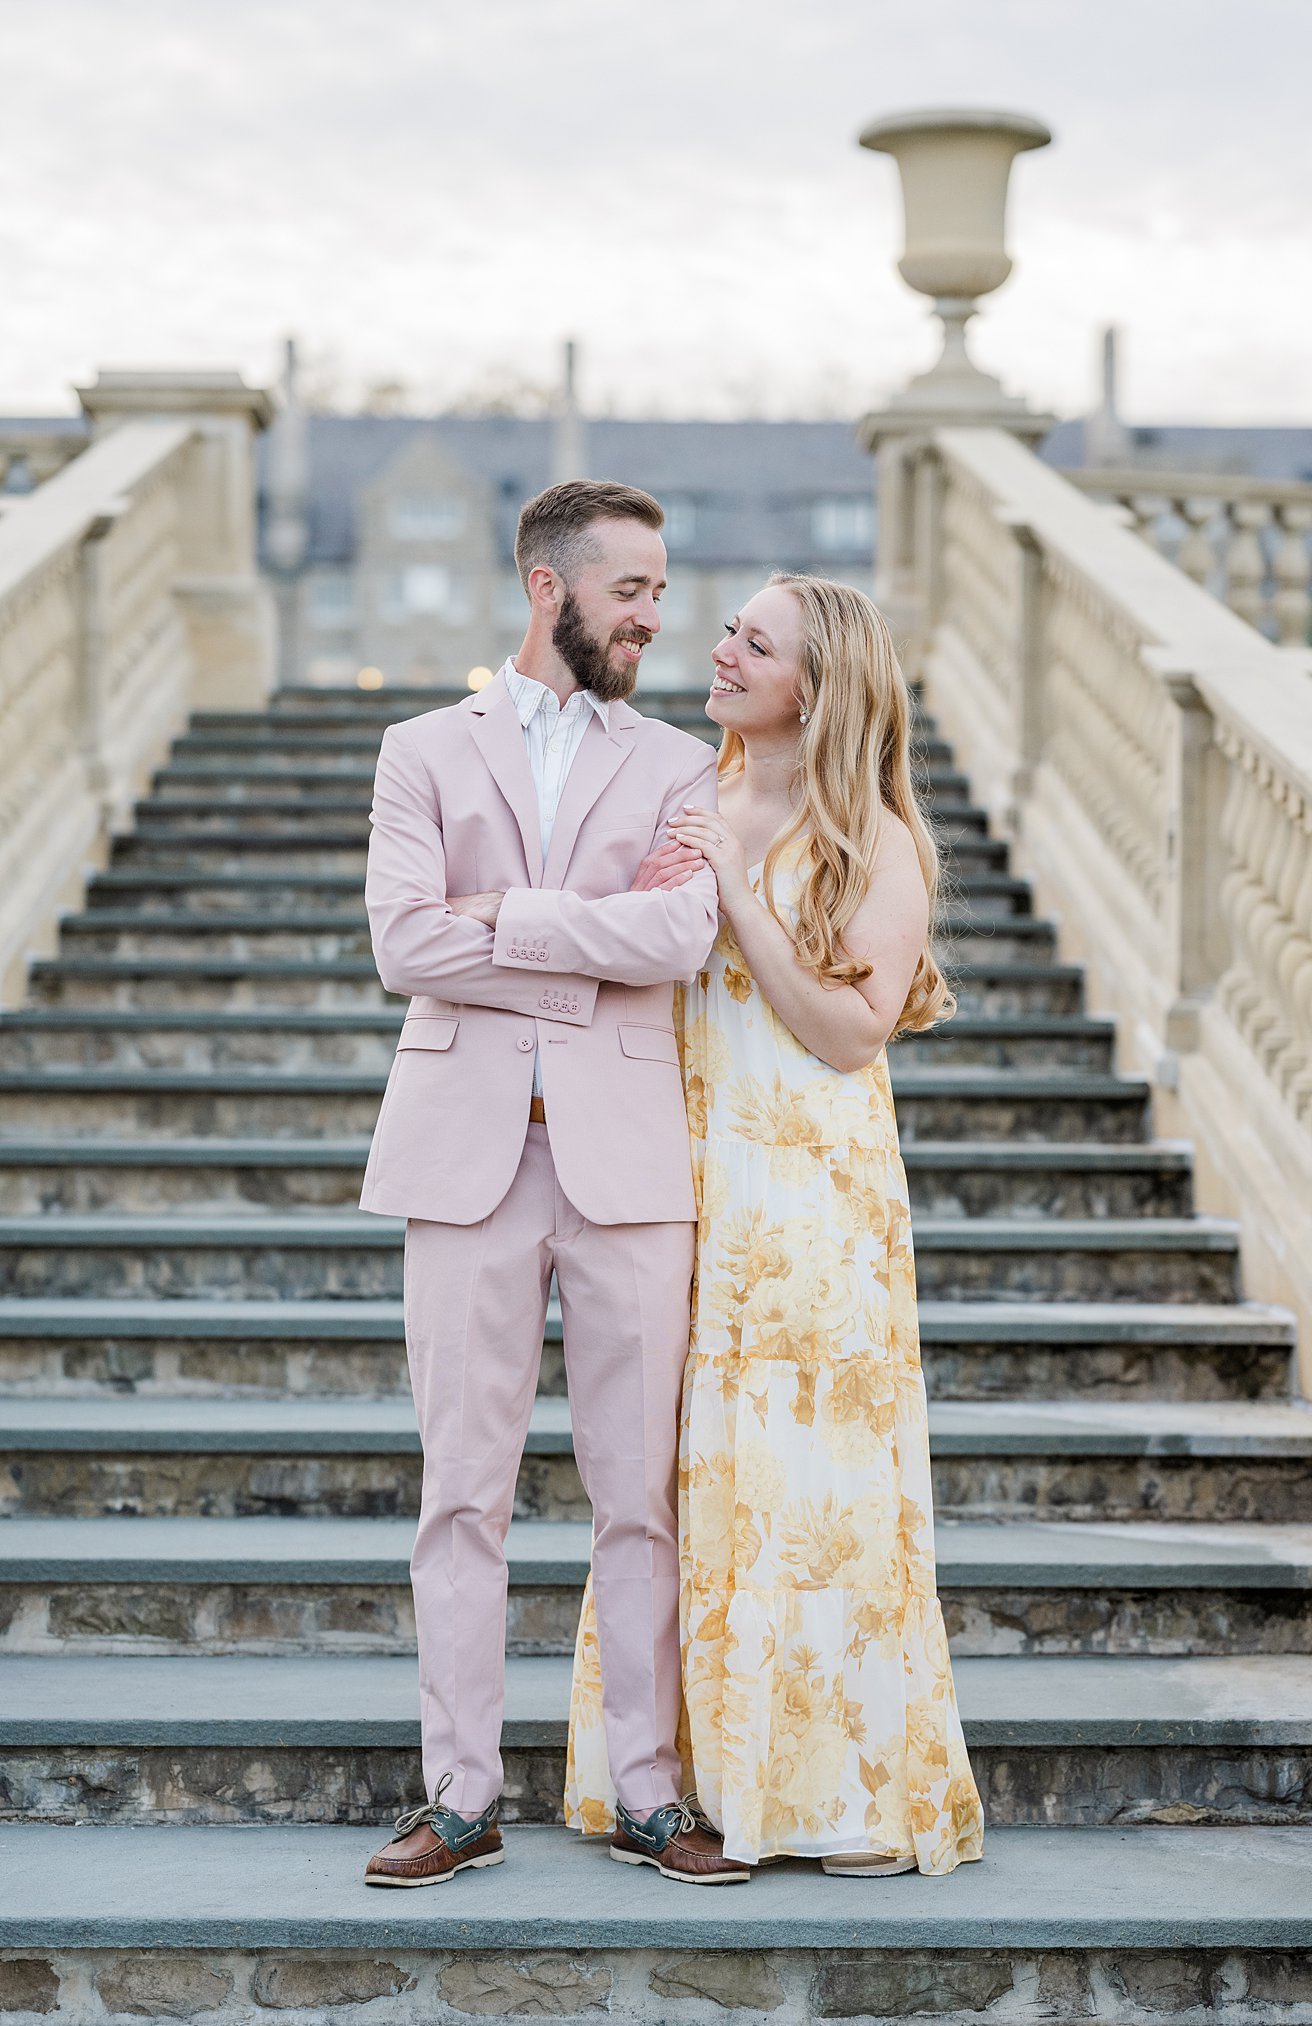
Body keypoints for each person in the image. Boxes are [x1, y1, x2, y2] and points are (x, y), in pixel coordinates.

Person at [565, 571, 985, 1876]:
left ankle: (826, 1792)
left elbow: (851, 1034)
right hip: (670, 1170)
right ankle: (667, 1779)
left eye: (755, 641)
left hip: (807, 1199)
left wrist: (741, 897)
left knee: (806, 1484)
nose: (722, 649)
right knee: (667, 1473)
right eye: (728, 630)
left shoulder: (875, 835)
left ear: (822, 683)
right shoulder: (672, 794)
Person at [359, 479, 748, 1887]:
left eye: (657, 589)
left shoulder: (678, 765)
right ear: (549, 588)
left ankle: (648, 1791)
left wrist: (509, 917)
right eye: (631, 590)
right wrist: (588, 936)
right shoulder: (418, 750)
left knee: (634, 1490)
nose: (657, 616)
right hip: (462, 1156)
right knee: (462, 1490)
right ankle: (456, 1796)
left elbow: (682, 933)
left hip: (628, 1158)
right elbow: (404, 943)